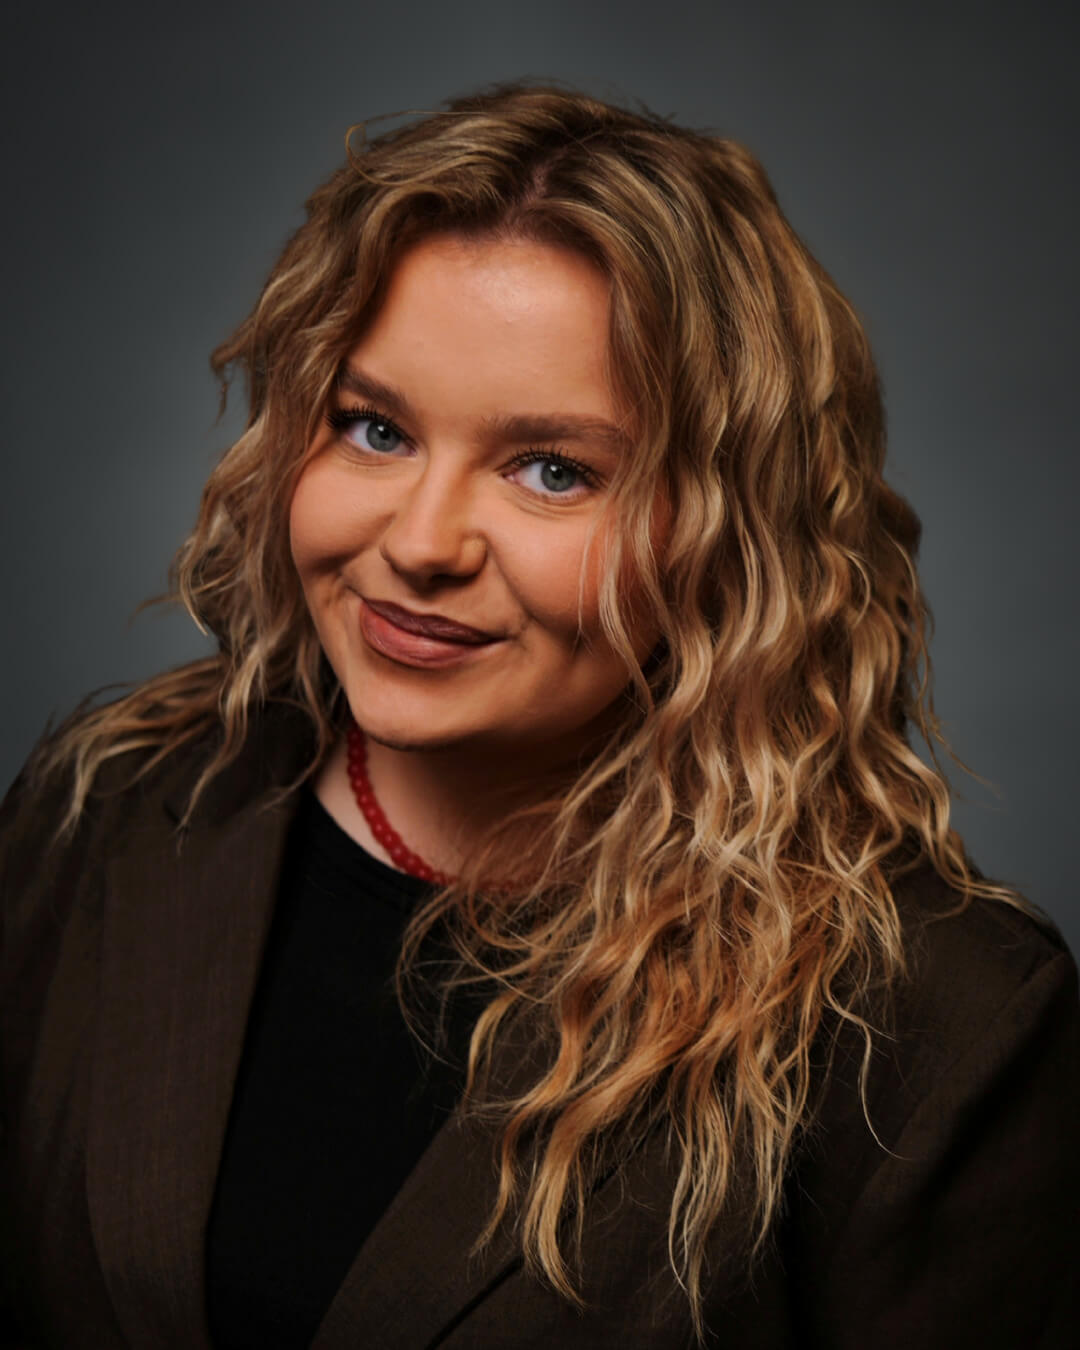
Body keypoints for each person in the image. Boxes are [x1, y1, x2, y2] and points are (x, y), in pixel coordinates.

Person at [1, 83, 1076, 1350]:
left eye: (553, 470)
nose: (421, 543)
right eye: (374, 429)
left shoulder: (935, 1020)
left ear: (731, 537)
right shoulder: (104, 812)